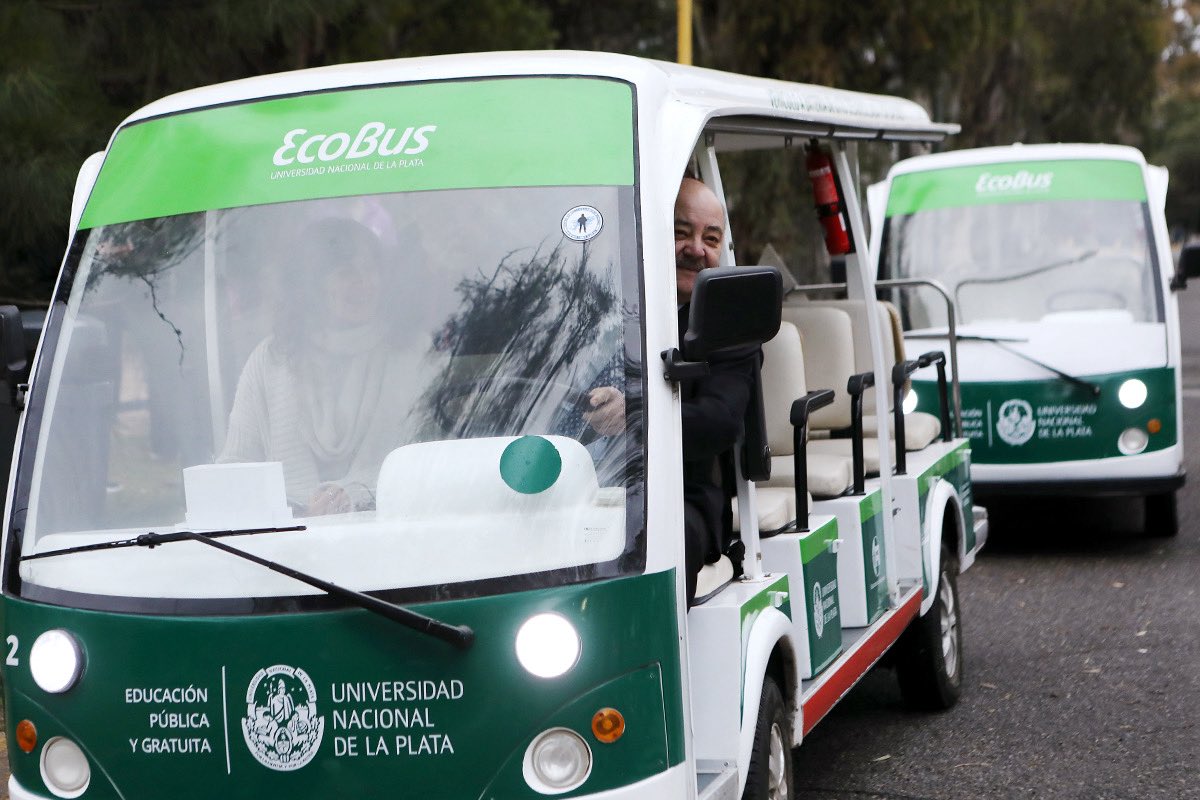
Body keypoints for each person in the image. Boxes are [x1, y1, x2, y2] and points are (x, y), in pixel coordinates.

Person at [585, 177, 758, 604]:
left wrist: (636, 414)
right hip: (578, 488)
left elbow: (721, 421)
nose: (696, 248)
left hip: (682, 498)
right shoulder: (599, 309)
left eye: (710, 238)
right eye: (682, 232)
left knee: (650, 539)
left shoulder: (731, 328)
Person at [218, 217, 430, 515]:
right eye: (347, 273)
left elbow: (428, 458)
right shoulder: (271, 358)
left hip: (392, 532)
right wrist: (294, 508)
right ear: (311, 285)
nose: (365, 284)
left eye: (371, 270)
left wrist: (353, 494)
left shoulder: (413, 351)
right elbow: (236, 467)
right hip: (288, 545)